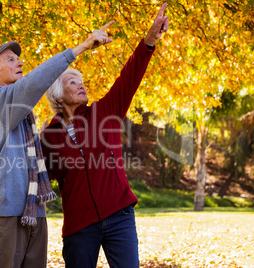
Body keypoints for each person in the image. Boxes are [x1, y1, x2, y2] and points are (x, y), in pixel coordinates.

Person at [0, 21, 115, 268]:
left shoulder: (22, 113)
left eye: (18, 59)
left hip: (34, 213)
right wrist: (79, 48)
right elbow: (33, 84)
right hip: (6, 213)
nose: (19, 63)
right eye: (10, 60)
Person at [40, 3, 169, 268]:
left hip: (119, 214)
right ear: (57, 95)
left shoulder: (104, 112)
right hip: (79, 224)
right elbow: (40, 175)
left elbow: (129, 77)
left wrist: (149, 40)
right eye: (72, 82)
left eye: (81, 81)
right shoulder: (48, 135)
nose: (81, 84)